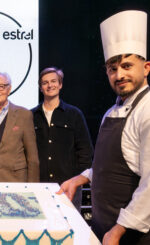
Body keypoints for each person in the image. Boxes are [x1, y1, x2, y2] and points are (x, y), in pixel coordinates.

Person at [58, 10, 150, 244]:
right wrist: (81, 178)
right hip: (105, 228)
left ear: (146, 67)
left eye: (127, 66)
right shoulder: (112, 111)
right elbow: (108, 165)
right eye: (112, 68)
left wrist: (118, 230)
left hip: (131, 235)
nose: (119, 75)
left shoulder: (147, 110)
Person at [31, 67, 93, 209]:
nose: (50, 85)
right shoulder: (31, 116)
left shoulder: (74, 114)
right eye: (45, 83)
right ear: (41, 88)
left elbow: (85, 150)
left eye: (53, 81)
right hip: (40, 187)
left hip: (68, 186)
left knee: (70, 227)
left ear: (60, 85)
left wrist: (76, 179)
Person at [0, 72, 39, 182]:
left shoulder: (24, 114)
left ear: (9, 89)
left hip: (15, 179)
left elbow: (32, 156)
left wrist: (33, 186)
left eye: (1, 86)